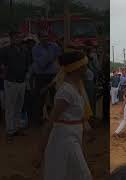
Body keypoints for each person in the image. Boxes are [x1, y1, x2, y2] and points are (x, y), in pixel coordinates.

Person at [33, 51, 92, 180]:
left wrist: (84, 124)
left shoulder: (76, 87)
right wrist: (40, 151)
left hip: (73, 134)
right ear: (78, 68)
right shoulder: (66, 91)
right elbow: (49, 123)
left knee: (70, 173)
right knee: (82, 174)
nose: (87, 69)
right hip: (65, 138)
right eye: (85, 66)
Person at [0, 31, 30, 143]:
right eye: (16, 37)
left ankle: (17, 128)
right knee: (10, 107)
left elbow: (28, 64)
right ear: (11, 38)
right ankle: (9, 131)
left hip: (21, 81)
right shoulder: (5, 50)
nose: (18, 39)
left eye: (19, 37)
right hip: (10, 81)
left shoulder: (24, 50)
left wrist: (26, 75)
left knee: (19, 105)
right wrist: (3, 71)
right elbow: (1, 64)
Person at [32, 31, 61, 127]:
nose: (45, 38)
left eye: (46, 36)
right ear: (39, 38)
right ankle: (38, 121)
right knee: (39, 98)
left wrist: (48, 57)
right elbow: (42, 64)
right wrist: (51, 56)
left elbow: (58, 58)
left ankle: (55, 120)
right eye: (43, 36)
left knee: (55, 97)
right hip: (40, 76)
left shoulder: (54, 46)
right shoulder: (35, 48)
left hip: (53, 75)